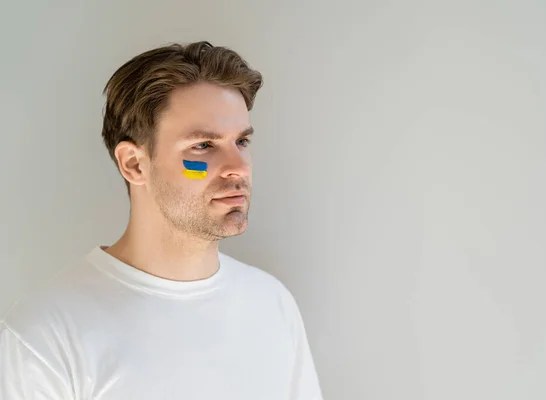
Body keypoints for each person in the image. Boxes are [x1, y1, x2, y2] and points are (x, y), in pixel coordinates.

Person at [0, 41, 323, 399]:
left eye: (242, 142)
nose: (238, 167)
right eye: (203, 146)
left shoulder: (272, 304)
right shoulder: (44, 337)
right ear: (135, 164)